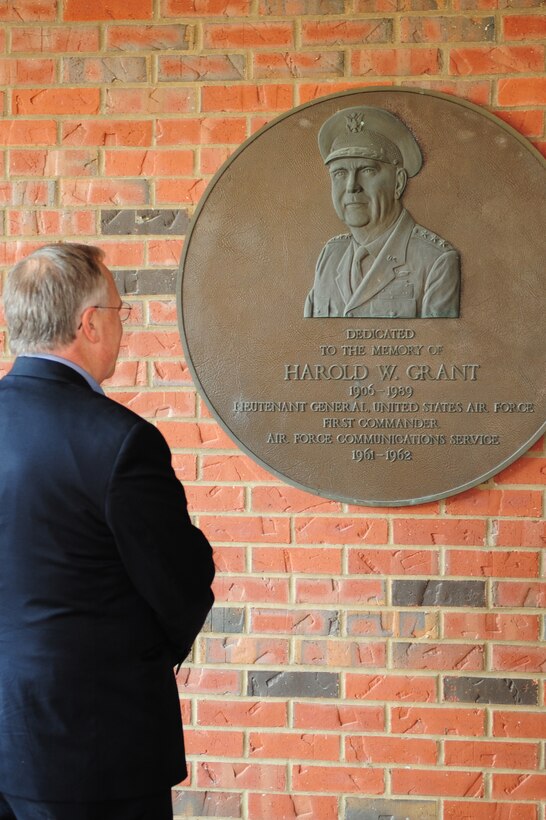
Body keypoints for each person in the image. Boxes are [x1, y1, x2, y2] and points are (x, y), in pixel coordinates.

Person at [0, 244, 215, 820]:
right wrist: (150, 652)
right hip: (94, 746)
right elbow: (182, 583)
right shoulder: (120, 443)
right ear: (89, 323)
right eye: (120, 311)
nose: (123, 324)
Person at [304, 106, 461, 319]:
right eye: (340, 173)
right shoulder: (330, 256)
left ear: (398, 182)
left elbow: (440, 350)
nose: (351, 186)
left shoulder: (435, 261)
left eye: (367, 171)